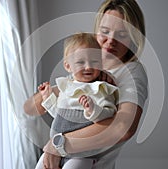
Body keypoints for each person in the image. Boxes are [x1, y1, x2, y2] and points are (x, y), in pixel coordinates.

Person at [24, 0, 148, 168]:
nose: (111, 40)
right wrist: (54, 90)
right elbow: (30, 108)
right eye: (105, 31)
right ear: (96, 31)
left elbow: (123, 128)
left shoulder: (131, 72)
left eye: (122, 34)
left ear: (133, 37)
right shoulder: (86, 64)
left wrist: (57, 145)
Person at [35, 33, 119, 169]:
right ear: (68, 66)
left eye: (94, 62)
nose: (88, 67)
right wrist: (47, 98)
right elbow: (58, 115)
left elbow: (109, 115)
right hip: (56, 147)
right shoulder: (66, 87)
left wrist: (93, 110)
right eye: (81, 62)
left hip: (83, 154)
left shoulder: (100, 88)